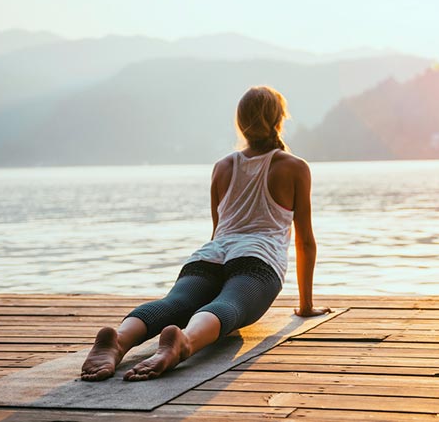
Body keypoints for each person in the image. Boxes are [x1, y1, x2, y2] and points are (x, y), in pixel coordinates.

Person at [80, 85, 331, 382]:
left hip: (209, 256)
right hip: (257, 261)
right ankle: (184, 342)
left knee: (173, 304)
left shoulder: (223, 166)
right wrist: (305, 306)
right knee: (228, 306)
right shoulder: (294, 167)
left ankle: (119, 339)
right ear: (280, 120)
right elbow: (304, 241)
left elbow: (218, 229)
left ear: (240, 124)